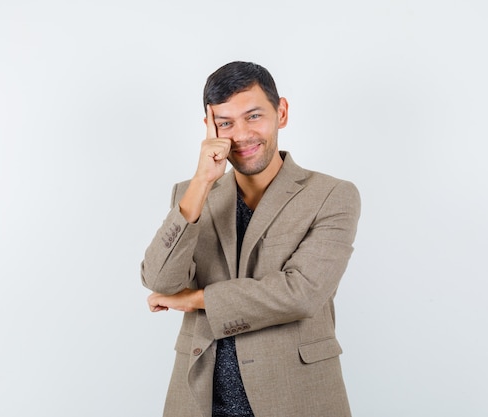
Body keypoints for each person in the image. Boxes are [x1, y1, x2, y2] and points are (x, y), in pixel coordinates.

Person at [141, 61, 360, 417]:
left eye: (253, 116)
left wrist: (195, 299)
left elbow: (300, 294)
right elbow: (160, 280)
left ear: (281, 112)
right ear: (209, 127)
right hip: (201, 402)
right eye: (225, 122)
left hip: (295, 397)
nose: (240, 134)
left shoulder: (331, 195)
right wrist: (201, 182)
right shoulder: (191, 195)